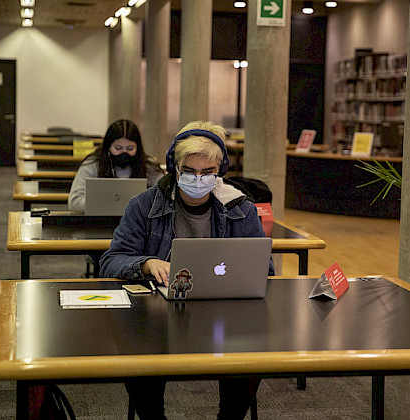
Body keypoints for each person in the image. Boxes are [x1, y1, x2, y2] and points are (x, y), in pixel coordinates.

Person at [99, 120, 273, 419]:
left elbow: (264, 271)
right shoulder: (143, 205)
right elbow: (110, 261)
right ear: (174, 168)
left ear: (220, 171)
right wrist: (146, 263)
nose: (198, 179)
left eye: (207, 173)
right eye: (189, 172)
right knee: (140, 359)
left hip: (223, 312)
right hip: (158, 316)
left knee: (249, 357)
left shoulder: (241, 208)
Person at [68, 119, 164, 212]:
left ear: (138, 148)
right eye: (118, 148)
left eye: (130, 148)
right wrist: (103, 206)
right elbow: (74, 201)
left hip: (140, 225)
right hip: (100, 222)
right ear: (108, 147)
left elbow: (165, 196)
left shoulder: (149, 166)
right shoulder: (93, 164)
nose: (124, 153)